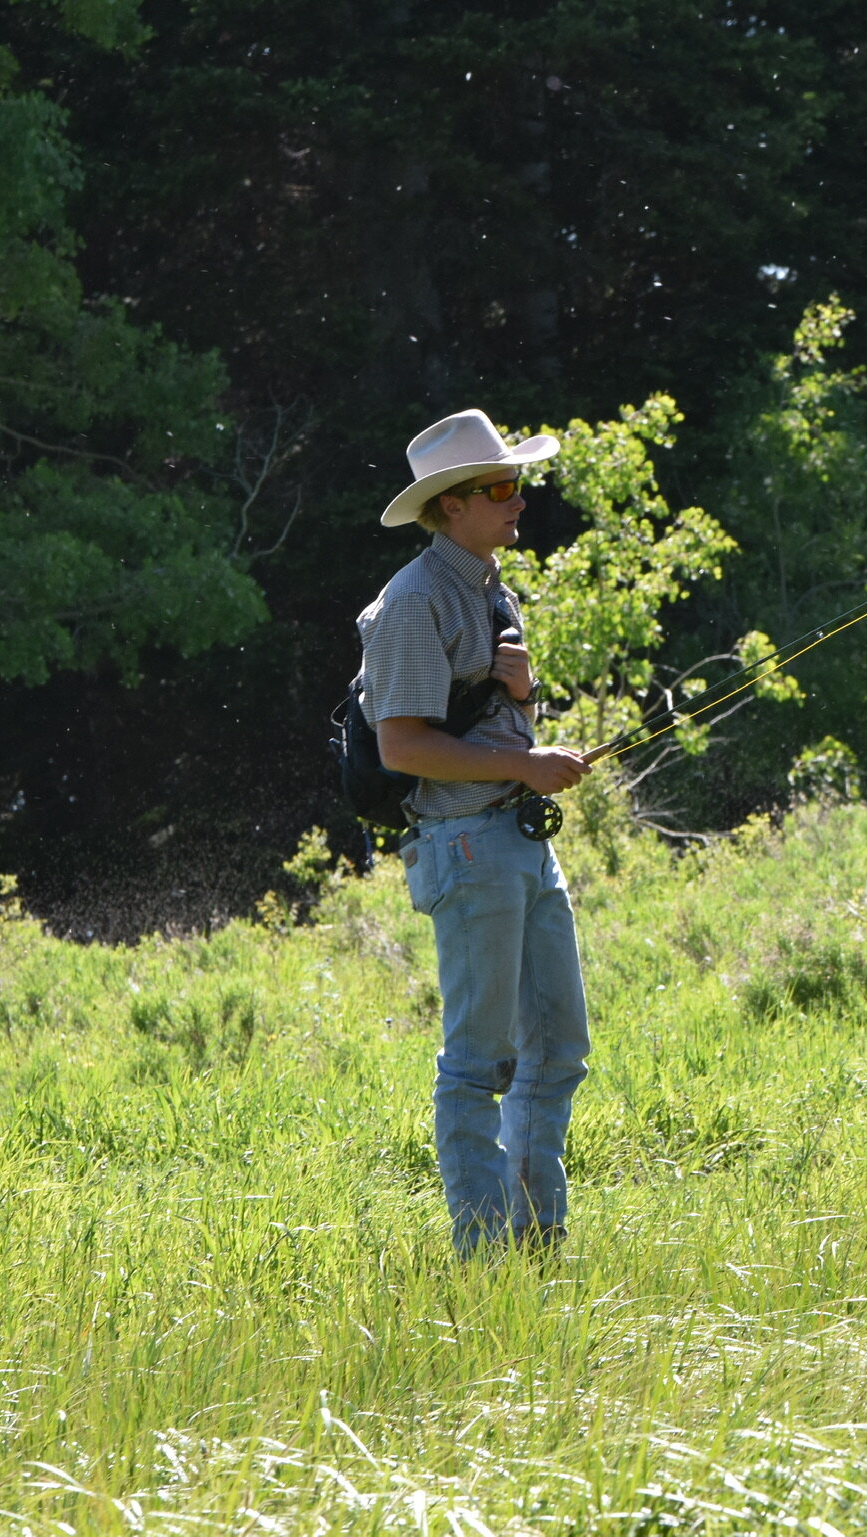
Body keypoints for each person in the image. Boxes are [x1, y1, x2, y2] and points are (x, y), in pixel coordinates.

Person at [357, 407, 594, 1255]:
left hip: (524, 844)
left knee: (559, 1048)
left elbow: (498, 728)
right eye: (499, 488)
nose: (518, 501)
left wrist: (526, 701)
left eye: (518, 484)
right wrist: (525, 767)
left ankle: (538, 1237)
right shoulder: (413, 601)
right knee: (479, 1064)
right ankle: (485, 1253)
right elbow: (402, 745)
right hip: (465, 845)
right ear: (450, 506)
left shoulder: (493, 586)